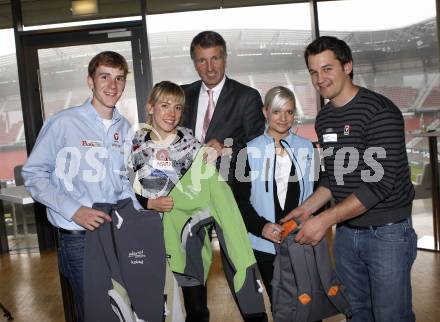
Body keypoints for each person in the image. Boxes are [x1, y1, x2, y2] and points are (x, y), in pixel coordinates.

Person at [282, 36, 417, 322]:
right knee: (355, 313)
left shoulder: (379, 111)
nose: (320, 78)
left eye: (327, 69)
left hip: (388, 235)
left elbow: (378, 185)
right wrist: (307, 209)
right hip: (346, 234)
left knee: (391, 316)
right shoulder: (325, 118)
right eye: (313, 71)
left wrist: (324, 219)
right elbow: (335, 177)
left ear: (348, 66)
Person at [22, 51, 141, 322]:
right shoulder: (63, 123)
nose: (113, 85)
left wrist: (139, 217)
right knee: (96, 315)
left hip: (117, 235)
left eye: (119, 78)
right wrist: (75, 210)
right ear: (90, 81)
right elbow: (34, 174)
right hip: (80, 241)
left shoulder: (125, 128)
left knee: (122, 311)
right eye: (105, 77)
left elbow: (123, 180)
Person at [180, 30, 266, 322]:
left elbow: (258, 148)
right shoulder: (184, 95)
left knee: (239, 265)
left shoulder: (247, 96)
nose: (210, 67)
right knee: (191, 269)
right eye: (202, 61)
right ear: (195, 63)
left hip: (230, 194)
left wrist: (226, 146)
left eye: (215, 58)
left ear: (225, 58)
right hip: (190, 198)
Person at [233, 86, 316, 305]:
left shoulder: (308, 149)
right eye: (277, 111)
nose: (283, 118)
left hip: (302, 240)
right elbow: (240, 202)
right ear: (265, 112)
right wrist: (262, 227)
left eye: (289, 112)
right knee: (282, 307)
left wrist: (308, 222)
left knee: (309, 307)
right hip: (265, 244)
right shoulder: (247, 151)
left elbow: (318, 194)